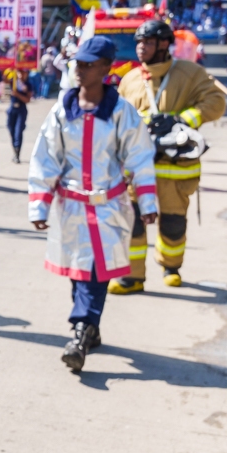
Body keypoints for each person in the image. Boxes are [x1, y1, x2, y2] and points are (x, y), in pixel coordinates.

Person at [28, 36, 157, 373]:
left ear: (105, 68)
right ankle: (91, 329)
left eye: (88, 64)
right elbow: (45, 158)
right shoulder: (62, 111)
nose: (80, 70)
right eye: (77, 64)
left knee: (95, 273)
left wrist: (147, 200)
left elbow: (140, 157)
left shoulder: (121, 112)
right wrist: (38, 204)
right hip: (71, 209)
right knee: (78, 270)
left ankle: (80, 333)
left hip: (108, 209)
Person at [109, 17, 226, 292]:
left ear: (163, 45)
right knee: (133, 224)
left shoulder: (189, 72)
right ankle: (132, 277)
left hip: (175, 168)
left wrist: (181, 120)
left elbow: (216, 102)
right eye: (139, 42)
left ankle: (171, 267)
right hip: (136, 168)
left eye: (147, 42)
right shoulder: (130, 79)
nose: (141, 48)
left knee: (172, 224)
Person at [5, 64, 32, 162]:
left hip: (21, 110)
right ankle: (14, 150)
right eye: (19, 72)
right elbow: (4, 80)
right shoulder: (14, 82)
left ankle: (17, 154)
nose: (21, 74)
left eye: (23, 72)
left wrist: (18, 95)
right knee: (11, 130)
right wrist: (9, 70)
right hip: (12, 109)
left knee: (18, 131)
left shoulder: (28, 85)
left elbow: (28, 99)